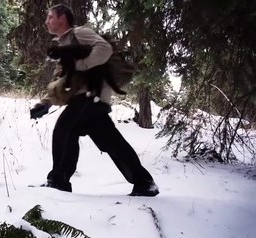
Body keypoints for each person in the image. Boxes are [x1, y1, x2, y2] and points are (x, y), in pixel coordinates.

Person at [29, 4, 159, 197]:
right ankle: (145, 183)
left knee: (64, 128)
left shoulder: (80, 33)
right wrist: (46, 103)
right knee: (111, 142)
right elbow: (62, 81)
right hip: (89, 100)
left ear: (62, 18)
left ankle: (58, 182)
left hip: (92, 96)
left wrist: (80, 64)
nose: (47, 21)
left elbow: (104, 48)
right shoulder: (63, 47)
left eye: (50, 17)